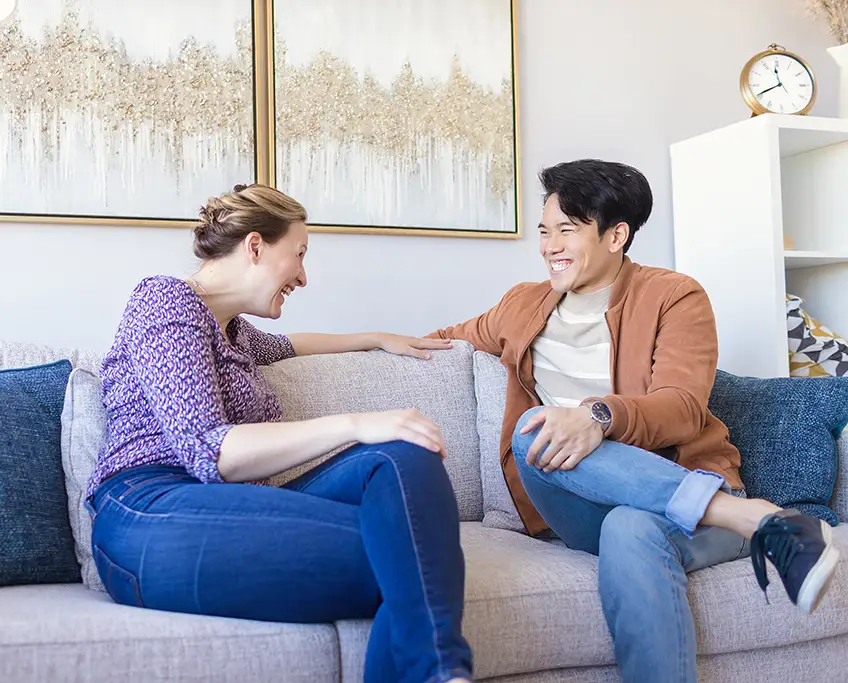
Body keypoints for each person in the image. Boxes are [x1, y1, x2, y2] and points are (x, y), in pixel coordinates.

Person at [428, 159, 840, 683]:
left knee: (629, 526)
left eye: (567, 230)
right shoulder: (523, 305)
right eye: (544, 231)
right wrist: (372, 340)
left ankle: (732, 512)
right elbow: (445, 337)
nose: (549, 245)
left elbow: (682, 406)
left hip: (673, 502)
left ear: (616, 235)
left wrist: (598, 417)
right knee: (536, 425)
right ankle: (759, 520)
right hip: (578, 507)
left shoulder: (674, 296)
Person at [86, 183, 473, 683]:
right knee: (411, 555)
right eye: (299, 254)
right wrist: (354, 422)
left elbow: (290, 344)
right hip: (148, 512)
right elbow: (211, 451)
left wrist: (377, 337)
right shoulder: (165, 302)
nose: (305, 277)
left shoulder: (235, 332)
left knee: (403, 454)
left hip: (227, 506)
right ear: (254, 247)